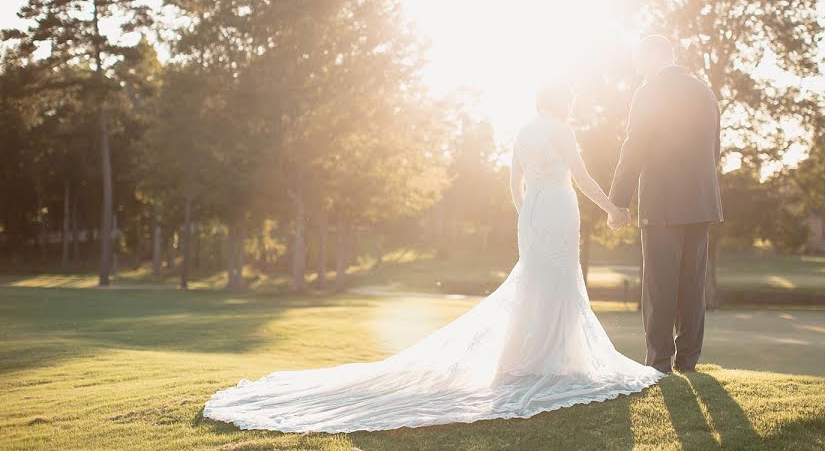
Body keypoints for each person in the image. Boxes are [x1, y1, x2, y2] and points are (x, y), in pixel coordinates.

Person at [202, 81, 663, 433]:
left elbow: (512, 183)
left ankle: (531, 359)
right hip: (559, 208)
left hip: (535, 213)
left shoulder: (524, 132)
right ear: (564, 105)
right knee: (557, 282)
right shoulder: (562, 130)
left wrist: (528, 214)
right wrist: (614, 209)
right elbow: (580, 175)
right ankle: (552, 360)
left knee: (536, 282)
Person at [608, 35, 723, 373]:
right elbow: (714, 151)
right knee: (692, 284)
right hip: (701, 202)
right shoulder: (704, 91)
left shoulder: (648, 92)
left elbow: (635, 146)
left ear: (653, 57)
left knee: (660, 285)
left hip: (661, 202)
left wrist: (618, 201)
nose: (636, 67)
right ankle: (688, 362)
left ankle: (658, 363)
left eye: (638, 59)